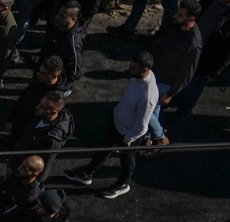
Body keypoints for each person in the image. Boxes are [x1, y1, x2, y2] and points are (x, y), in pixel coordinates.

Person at [62, 52, 158, 200]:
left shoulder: (148, 96)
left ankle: (123, 184)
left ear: (145, 70)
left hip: (128, 134)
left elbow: (142, 125)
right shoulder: (136, 77)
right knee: (103, 150)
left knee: (127, 161)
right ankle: (86, 174)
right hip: (116, 121)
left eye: (133, 68)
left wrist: (128, 139)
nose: (129, 70)